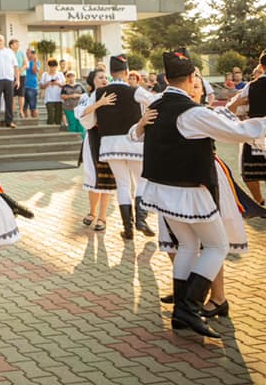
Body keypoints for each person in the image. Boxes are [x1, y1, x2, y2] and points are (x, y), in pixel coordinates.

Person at [135, 50, 266, 337]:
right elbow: (237, 131)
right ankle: (189, 307)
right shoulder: (192, 113)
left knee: (187, 246)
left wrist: (138, 127)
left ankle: (183, 312)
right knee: (217, 246)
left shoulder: (157, 103)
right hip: (189, 191)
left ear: (166, 78)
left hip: (162, 190)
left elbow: (137, 134)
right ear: (193, 77)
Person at [94, 54, 157, 240]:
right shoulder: (134, 91)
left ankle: (127, 228)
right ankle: (141, 219)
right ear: (127, 71)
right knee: (142, 181)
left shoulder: (99, 93)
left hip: (110, 144)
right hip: (134, 141)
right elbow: (155, 102)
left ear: (111, 72)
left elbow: (88, 119)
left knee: (122, 184)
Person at [76, 70, 117, 232]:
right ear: (92, 81)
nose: (104, 80)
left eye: (106, 77)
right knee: (92, 177)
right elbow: (81, 114)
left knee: (107, 179)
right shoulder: (86, 97)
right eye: (100, 77)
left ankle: (102, 217)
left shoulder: (114, 97)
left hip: (108, 141)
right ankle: (92, 212)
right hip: (93, 140)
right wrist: (100, 103)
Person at [229, 51, 266, 204]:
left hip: (256, 136)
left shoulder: (252, 87)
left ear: (262, 67)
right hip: (256, 136)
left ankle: (259, 201)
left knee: (249, 172)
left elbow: (231, 109)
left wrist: (239, 105)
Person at [40, 59, 66, 128]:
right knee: (50, 116)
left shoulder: (60, 74)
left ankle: (58, 132)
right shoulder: (45, 74)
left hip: (59, 98)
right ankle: (50, 130)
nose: (52, 68)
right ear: (48, 67)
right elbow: (41, 86)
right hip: (48, 98)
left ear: (56, 67)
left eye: (54, 66)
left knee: (58, 117)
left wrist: (58, 83)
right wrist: (48, 83)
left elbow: (64, 85)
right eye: (51, 67)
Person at [9, 39, 26, 118]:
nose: (18, 45)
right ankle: (13, 111)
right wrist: (15, 73)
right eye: (16, 44)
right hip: (11, 76)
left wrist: (19, 71)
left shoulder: (21, 53)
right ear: (11, 45)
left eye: (18, 43)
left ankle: (21, 111)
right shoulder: (8, 53)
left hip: (22, 75)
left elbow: (26, 64)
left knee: (21, 94)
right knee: (12, 95)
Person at [23, 49, 40, 119]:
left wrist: (35, 61)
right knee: (24, 107)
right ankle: (26, 123)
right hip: (23, 86)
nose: (31, 54)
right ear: (26, 53)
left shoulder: (37, 62)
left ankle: (35, 122)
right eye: (30, 52)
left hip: (32, 87)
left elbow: (34, 71)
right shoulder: (24, 62)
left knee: (33, 107)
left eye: (33, 52)